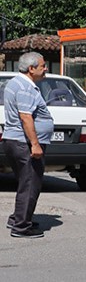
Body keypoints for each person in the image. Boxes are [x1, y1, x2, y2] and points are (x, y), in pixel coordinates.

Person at [3, 52, 54, 238]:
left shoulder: (16, 83)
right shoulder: (25, 88)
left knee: (25, 183)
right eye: (42, 66)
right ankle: (21, 227)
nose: (45, 68)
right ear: (31, 69)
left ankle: (18, 218)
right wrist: (35, 144)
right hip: (23, 143)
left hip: (14, 141)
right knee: (31, 184)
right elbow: (26, 117)